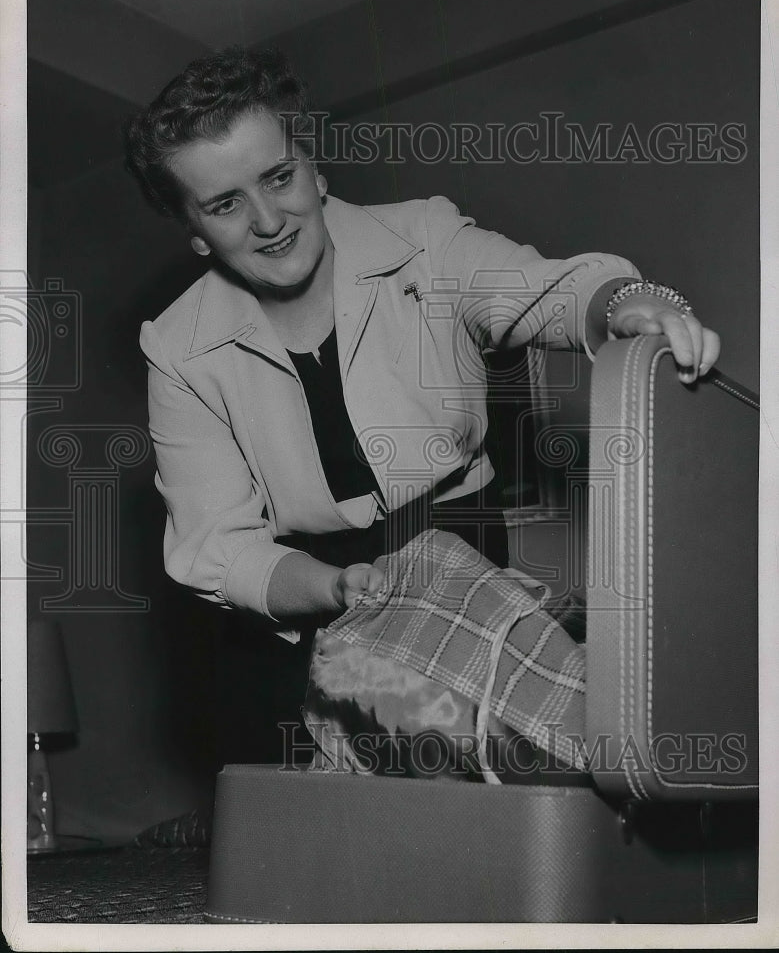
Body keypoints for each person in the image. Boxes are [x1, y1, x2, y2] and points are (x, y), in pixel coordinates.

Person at [125, 46, 720, 647]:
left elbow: (551, 292)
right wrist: (335, 587)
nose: (269, 220)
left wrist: (624, 301)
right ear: (196, 234)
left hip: (470, 557)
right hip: (311, 598)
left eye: (279, 177)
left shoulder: (424, 239)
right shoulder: (175, 348)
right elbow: (218, 547)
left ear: (313, 168)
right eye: (225, 204)